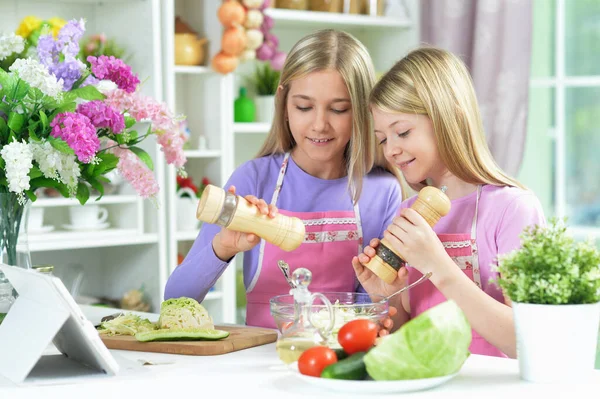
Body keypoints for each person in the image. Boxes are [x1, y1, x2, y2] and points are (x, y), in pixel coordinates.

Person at [164, 29, 407, 329]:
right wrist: (223, 247)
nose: (319, 124)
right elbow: (175, 299)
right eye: (304, 107)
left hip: (339, 363)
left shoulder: (382, 192)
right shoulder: (253, 180)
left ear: (361, 111)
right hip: (260, 361)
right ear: (284, 103)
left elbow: (378, 310)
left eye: (339, 109)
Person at [352, 47, 546, 358]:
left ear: (450, 116)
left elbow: (527, 342)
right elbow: (405, 332)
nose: (391, 151)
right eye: (383, 139)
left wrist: (437, 266)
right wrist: (386, 296)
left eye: (402, 131)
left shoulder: (513, 210)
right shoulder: (408, 212)